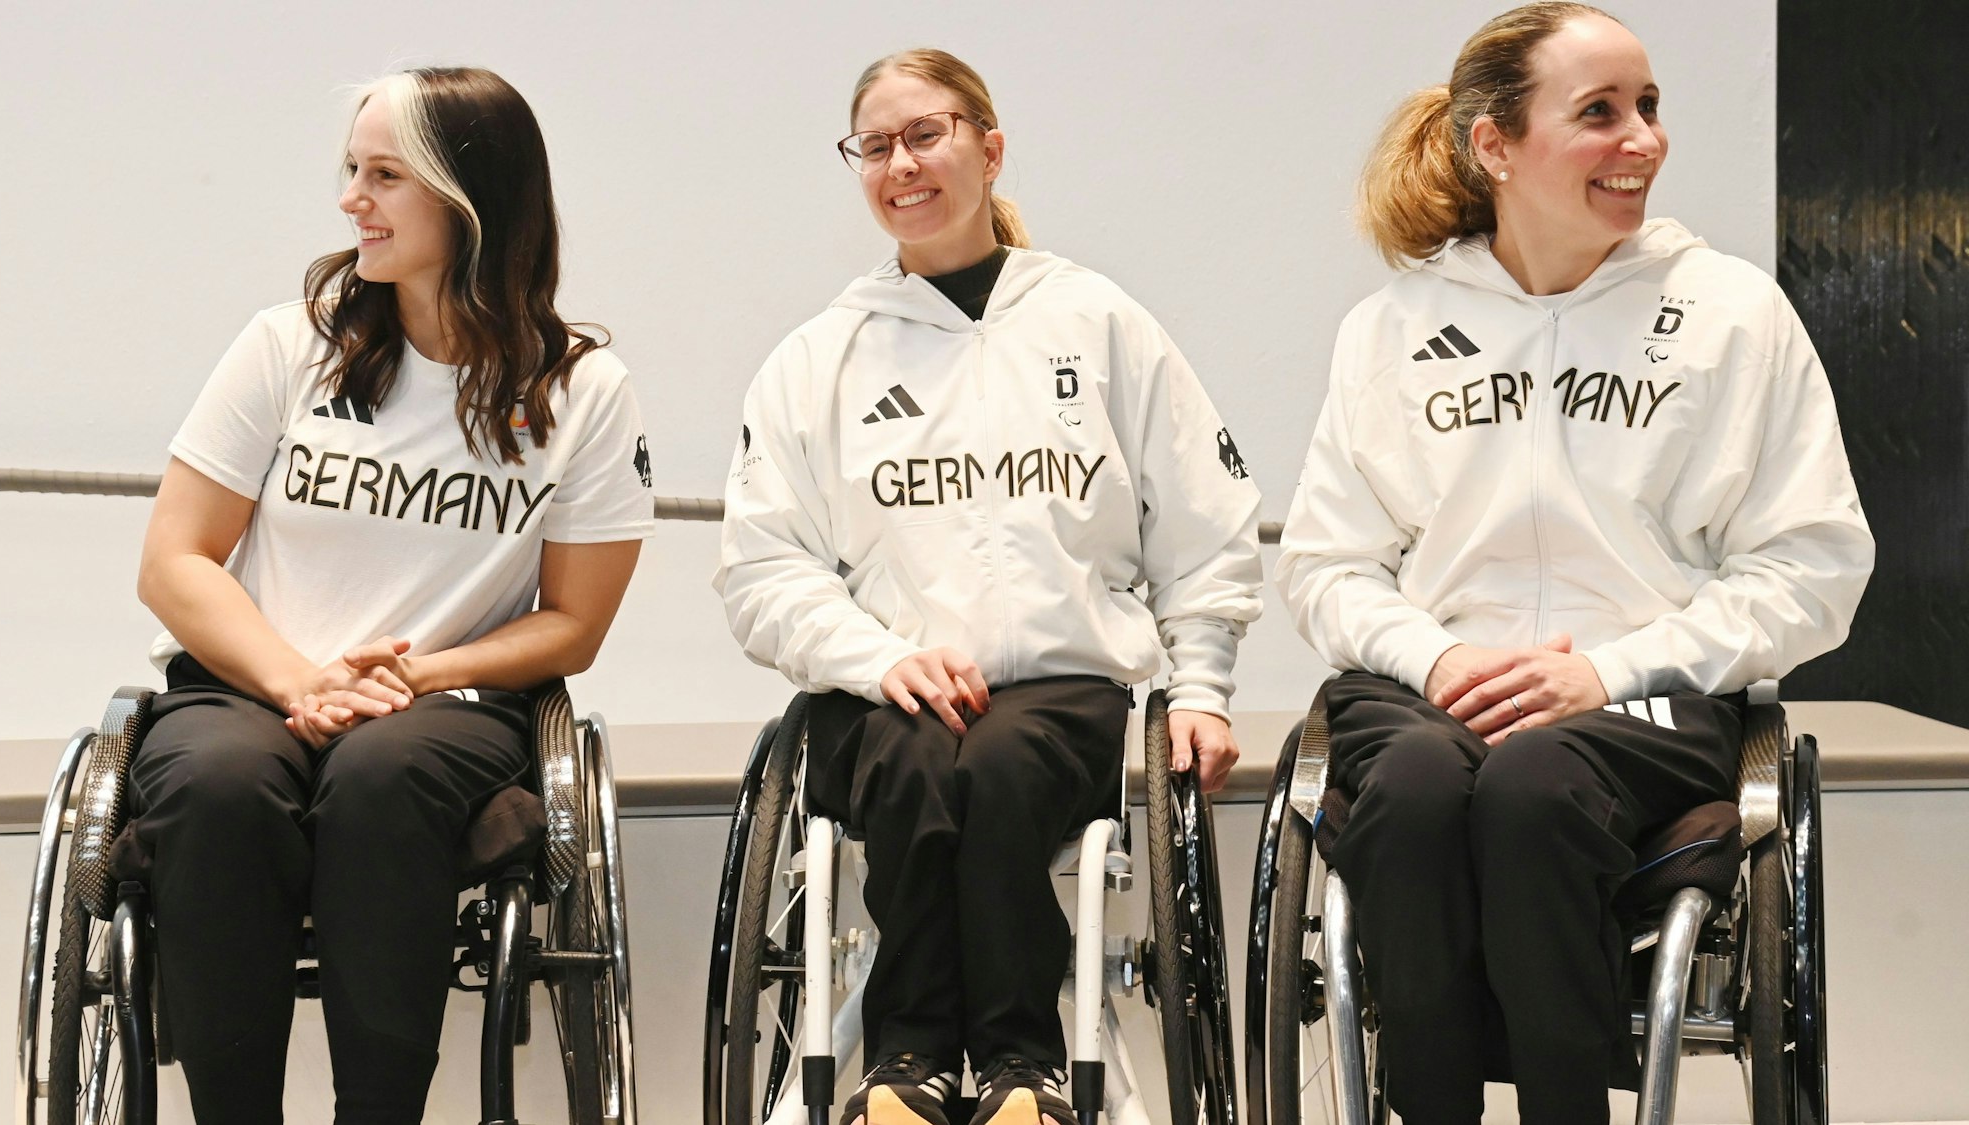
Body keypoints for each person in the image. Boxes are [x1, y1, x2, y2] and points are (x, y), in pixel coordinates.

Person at [1275, 5, 1874, 1122]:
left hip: (1648, 697)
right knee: (1408, 787)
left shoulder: (1730, 314)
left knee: (1532, 784)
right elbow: (1324, 566)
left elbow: (1812, 564)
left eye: (1646, 108)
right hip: (1428, 688)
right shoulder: (1389, 328)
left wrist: (1607, 671)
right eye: (1597, 113)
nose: (1639, 139)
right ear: (1493, 146)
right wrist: (1440, 656)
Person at [715, 47, 1263, 1125]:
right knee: (919, 770)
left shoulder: (1098, 323)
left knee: (1005, 766)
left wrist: (1199, 685)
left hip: (1059, 686)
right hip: (883, 692)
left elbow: (1201, 524)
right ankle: (905, 1068)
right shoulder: (820, 356)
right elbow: (760, 569)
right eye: (874, 146)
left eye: (927, 134)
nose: (901, 164)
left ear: (987, 145)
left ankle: (1023, 1069)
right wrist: (879, 660)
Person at [129, 67, 651, 1121]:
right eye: (351, 171)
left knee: (380, 777)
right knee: (218, 786)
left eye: (383, 175)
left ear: (470, 197)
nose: (350, 199)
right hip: (248, 686)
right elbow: (174, 561)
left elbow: (573, 625)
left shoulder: (582, 390)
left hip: (443, 708)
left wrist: (420, 671)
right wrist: (298, 680)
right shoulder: (290, 344)